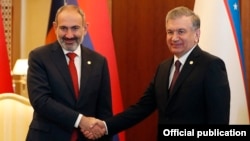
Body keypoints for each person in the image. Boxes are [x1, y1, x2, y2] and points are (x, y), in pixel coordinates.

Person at [83, 6, 231, 140]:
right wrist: (105, 125)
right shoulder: (164, 68)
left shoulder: (211, 65)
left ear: (196, 34)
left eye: (181, 32)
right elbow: (142, 108)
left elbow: (219, 123)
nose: (174, 38)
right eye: (170, 32)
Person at [26, 5, 113, 141]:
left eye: (75, 28)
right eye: (63, 28)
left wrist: (101, 132)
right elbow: (41, 101)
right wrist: (81, 120)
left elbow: (104, 110)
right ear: (55, 27)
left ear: (85, 28)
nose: (69, 35)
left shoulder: (99, 61)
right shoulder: (39, 57)